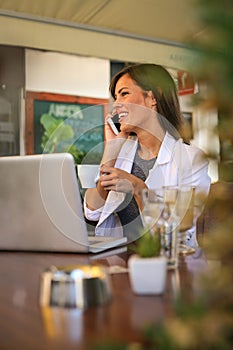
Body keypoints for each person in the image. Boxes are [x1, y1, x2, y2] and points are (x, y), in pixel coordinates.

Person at [84, 63, 211, 247]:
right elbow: (93, 211)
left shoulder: (192, 160)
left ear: (152, 97)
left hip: (170, 266)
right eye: (115, 97)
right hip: (120, 260)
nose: (116, 104)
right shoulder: (122, 153)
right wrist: (111, 149)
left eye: (124, 93)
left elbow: (179, 232)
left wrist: (138, 188)